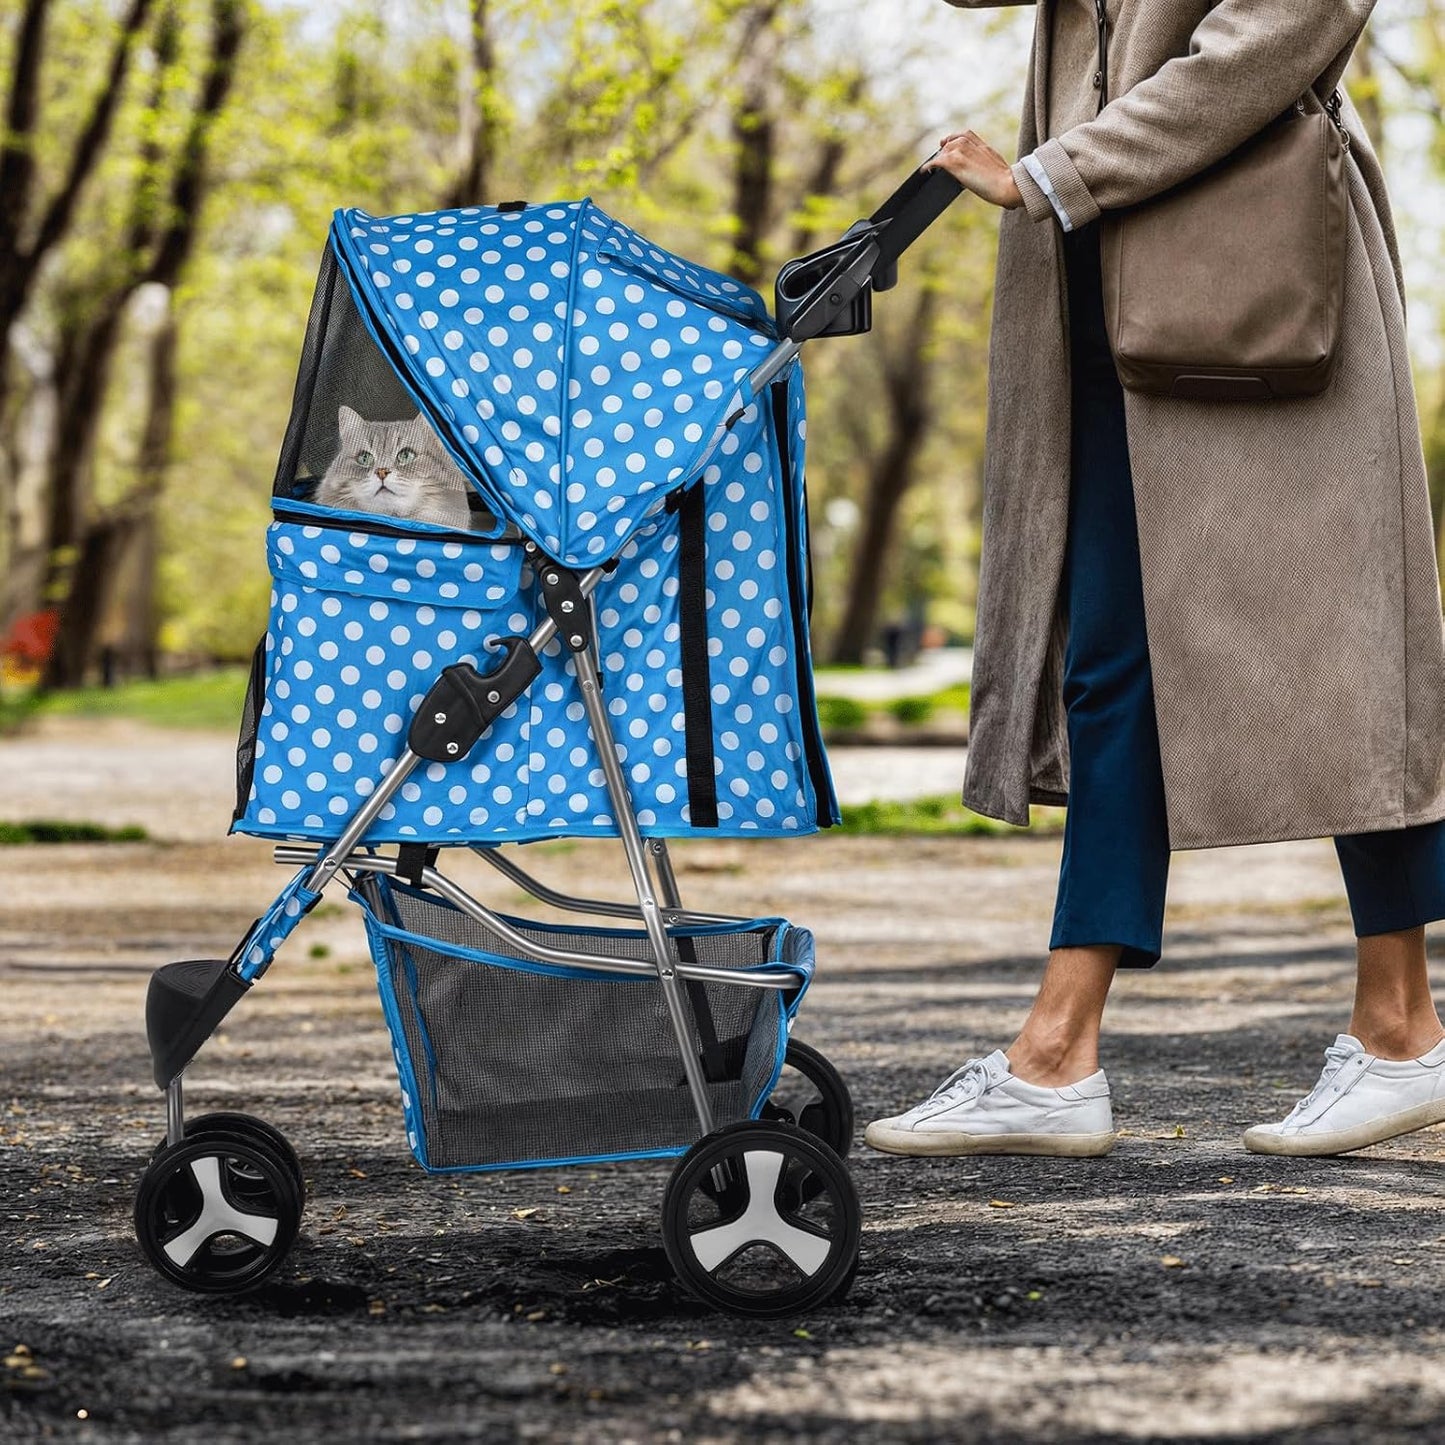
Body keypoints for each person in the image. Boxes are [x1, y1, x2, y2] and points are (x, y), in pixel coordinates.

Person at [865, 0, 1445, 1161]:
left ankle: (1397, 1025)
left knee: (1343, 645)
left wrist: (1048, 173)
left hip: (1255, 289)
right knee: (1110, 666)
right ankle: (1055, 1053)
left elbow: (1275, 36)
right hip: (1095, 291)